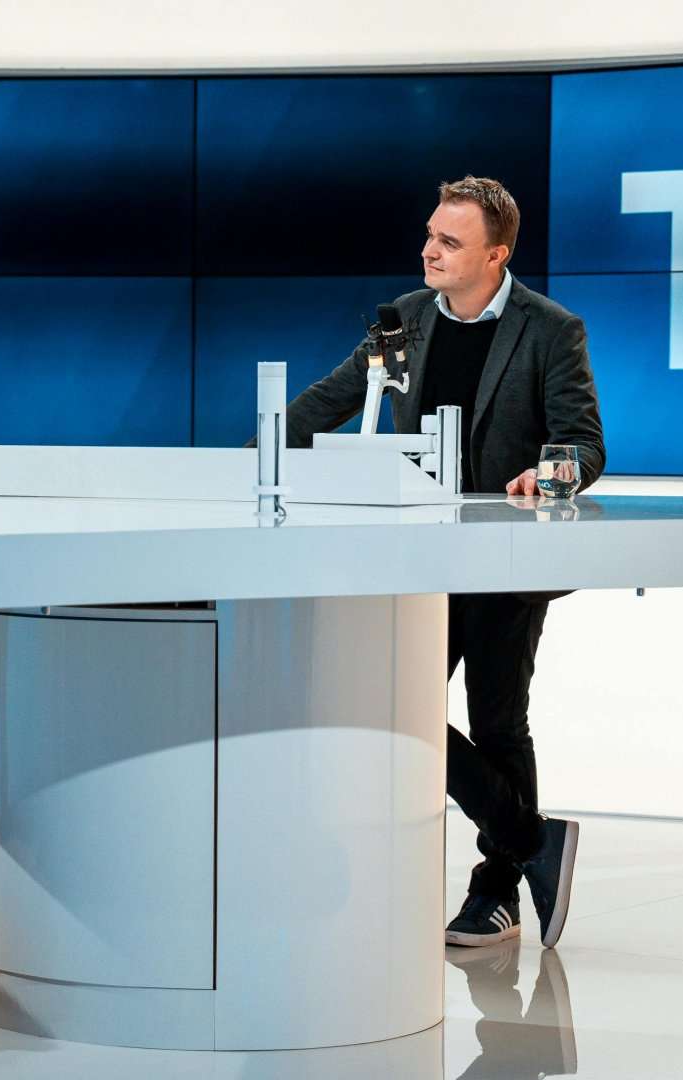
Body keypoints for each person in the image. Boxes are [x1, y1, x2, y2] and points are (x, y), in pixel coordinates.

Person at [260, 176, 605, 949]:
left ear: (496, 255)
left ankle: (494, 889)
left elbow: (583, 443)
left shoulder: (550, 329)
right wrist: (254, 455)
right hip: (420, 555)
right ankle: (531, 839)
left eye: (449, 241)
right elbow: (330, 399)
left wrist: (547, 472)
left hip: (506, 557)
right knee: (392, 702)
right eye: (428, 235)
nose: (429, 250)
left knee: (496, 721)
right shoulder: (406, 320)